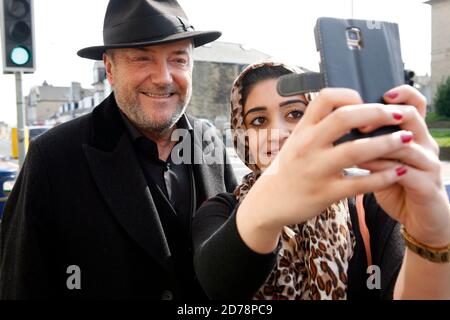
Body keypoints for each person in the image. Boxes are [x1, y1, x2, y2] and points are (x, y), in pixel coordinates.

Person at [0, 0, 236, 299]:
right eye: (142, 59)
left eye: (178, 59)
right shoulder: (53, 158)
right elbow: (21, 284)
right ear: (109, 69)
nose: (164, 77)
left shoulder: (208, 141)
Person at [193, 61, 450, 300]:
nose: (279, 133)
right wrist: (266, 208)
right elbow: (219, 286)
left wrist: (431, 236)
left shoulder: (373, 201)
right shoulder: (220, 210)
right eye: (259, 121)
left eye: (295, 114)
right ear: (243, 136)